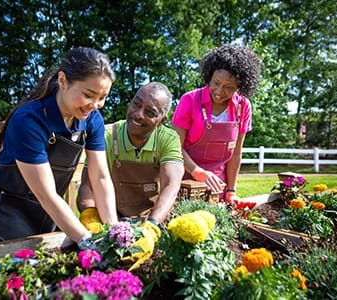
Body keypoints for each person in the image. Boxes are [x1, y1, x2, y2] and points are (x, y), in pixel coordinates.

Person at [0, 47, 118, 247]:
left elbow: (101, 178)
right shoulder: (28, 120)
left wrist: (114, 232)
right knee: (22, 269)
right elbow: (46, 194)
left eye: (102, 97)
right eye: (88, 95)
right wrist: (88, 241)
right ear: (63, 81)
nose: (95, 104)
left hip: (49, 209)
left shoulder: (92, 119)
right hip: (7, 208)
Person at [77, 82, 184, 269]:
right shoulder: (108, 135)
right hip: (110, 220)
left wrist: (152, 227)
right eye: (136, 104)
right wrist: (91, 216)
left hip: (150, 218)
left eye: (150, 112)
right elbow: (88, 185)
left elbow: (171, 184)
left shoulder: (168, 138)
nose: (139, 114)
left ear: (162, 119)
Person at [171, 44, 262, 203]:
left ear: (240, 86)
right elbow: (174, 147)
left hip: (217, 185)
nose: (219, 91)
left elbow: (235, 153)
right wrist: (196, 171)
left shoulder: (243, 106)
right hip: (183, 179)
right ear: (209, 77)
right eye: (216, 83)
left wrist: (231, 191)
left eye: (228, 87)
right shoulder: (190, 100)